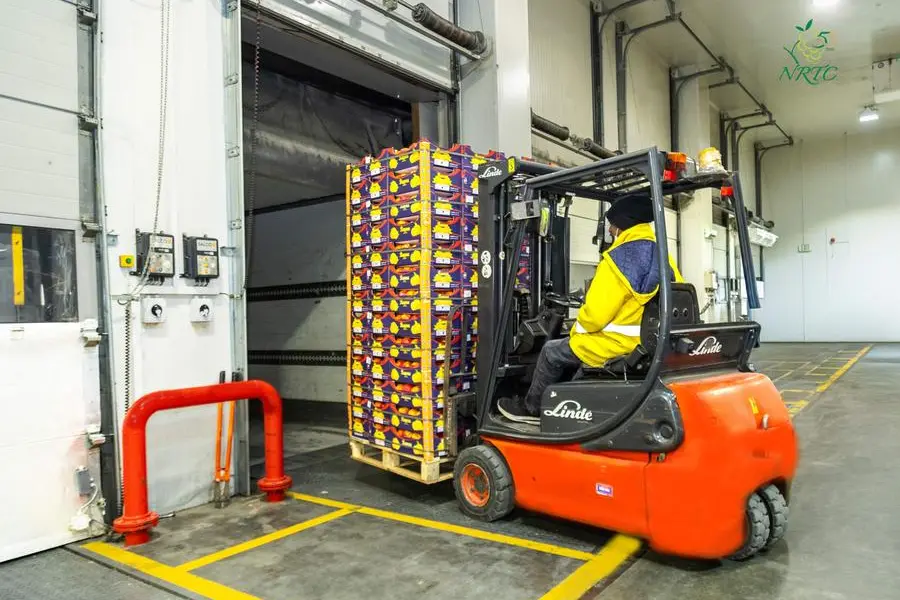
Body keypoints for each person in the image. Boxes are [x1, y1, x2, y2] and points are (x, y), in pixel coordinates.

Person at [498, 196, 684, 423]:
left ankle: (532, 410)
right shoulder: (665, 258)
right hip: (648, 344)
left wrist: (576, 329)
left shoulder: (616, 262)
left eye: (612, 225)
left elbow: (594, 317)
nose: (610, 230)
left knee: (551, 351)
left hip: (616, 344)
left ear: (622, 226)